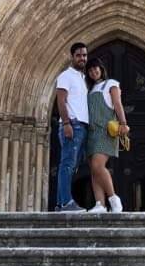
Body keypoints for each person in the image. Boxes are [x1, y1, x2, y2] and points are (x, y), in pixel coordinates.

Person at [85, 57, 129, 214]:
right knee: (94, 170)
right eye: (90, 70)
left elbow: (117, 104)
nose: (93, 72)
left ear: (101, 68)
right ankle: (100, 204)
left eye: (95, 68)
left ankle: (113, 199)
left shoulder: (111, 83)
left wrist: (123, 123)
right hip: (91, 131)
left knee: (98, 165)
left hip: (105, 130)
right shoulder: (89, 89)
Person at [54, 42, 90, 212]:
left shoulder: (82, 78)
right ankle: (66, 202)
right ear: (72, 57)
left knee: (72, 164)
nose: (82, 58)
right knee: (67, 164)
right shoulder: (65, 76)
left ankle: (61, 203)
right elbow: (61, 100)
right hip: (72, 124)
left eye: (84, 55)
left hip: (81, 126)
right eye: (79, 55)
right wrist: (67, 123)